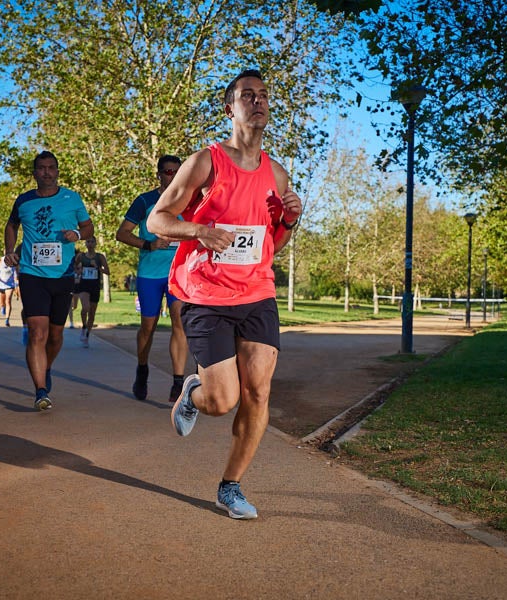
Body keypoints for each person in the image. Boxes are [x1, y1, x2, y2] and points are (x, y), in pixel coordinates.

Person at [147, 69, 303, 519]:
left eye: (263, 95)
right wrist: (199, 230)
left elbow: (270, 246)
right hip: (207, 294)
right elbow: (157, 220)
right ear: (229, 108)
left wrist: (290, 221)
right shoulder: (206, 162)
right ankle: (195, 392)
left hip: (256, 293)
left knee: (259, 393)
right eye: (247, 95)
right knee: (221, 402)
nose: (258, 102)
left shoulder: (277, 173)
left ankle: (230, 487)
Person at [3, 150, 94, 411]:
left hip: (63, 275)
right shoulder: (24, 200)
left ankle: (46, 366)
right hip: (32, 274)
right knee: (37, 332)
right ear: (34, 173)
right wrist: (9, 251)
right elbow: (11, 226)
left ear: (57, 171)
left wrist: (77, 234)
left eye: (51, 167)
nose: (46, 172)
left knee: (55, 335)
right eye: (41, 168)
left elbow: (88, 227)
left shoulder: (72, 198)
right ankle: (41, 391)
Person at [115, 155, 189, 402]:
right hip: (150, 273)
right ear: (158, 174)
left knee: (179, 319)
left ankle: (178, 382)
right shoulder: (145, 201)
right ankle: (142, 368)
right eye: (168, 172)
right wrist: (149, 244)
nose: (173, 176)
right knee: (148, 326)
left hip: (179, 273)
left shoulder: (189, 200)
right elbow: (122, 233)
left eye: (177, 172)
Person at [73, 237, 110, 347]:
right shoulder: (81, 256)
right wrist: (78, 270)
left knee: (92, 313)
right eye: (88, 241)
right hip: (84, 285)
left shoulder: (100, 257)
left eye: (92, 242)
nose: (90, 244)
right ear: (85, 243)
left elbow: (107, 271)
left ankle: (87, 336)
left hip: (95, 286)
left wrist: (97, 267)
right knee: (85, 308)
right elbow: (74, 266)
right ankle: (84, 326)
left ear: (95, 243)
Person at [0, 255, 18, 326]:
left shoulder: (14, 261)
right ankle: (2, 307)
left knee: (8, 301)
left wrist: (16, 280)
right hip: (1, 284)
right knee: (2, 303)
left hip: (10, 285)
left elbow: (17, 272)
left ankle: (7, 319)